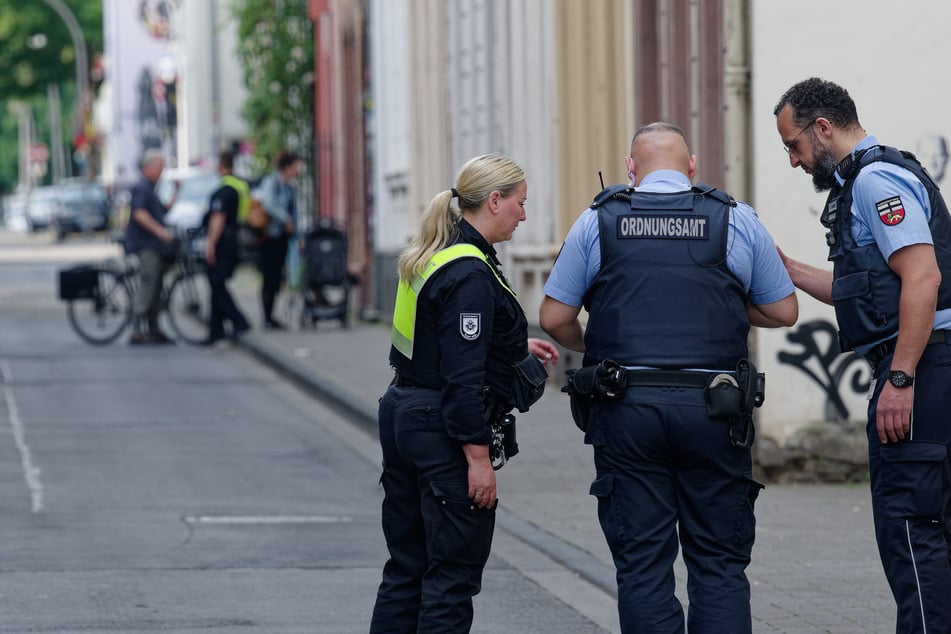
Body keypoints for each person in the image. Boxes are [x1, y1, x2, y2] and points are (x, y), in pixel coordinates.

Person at [539, 122, 798, 633]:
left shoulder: (597, 222)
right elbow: (783, 309)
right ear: (692, 166)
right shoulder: (735, 218)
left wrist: (603, 345)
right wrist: (721, 305)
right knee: (719, 564)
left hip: (625, 409)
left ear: (631, 170)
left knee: (642, 567)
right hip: (715, 412)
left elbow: (552, 318)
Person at [773, 77, 951, 634]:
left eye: (793, 147)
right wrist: (783, 265)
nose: (794, 162)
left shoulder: (876, 181)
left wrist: (900, 377)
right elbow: (866, 288)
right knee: (932, 524)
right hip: (933, 365)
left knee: (911, 526)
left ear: (822, 128)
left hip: (925, 369)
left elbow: (922, 278)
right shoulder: (870, 179)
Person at [369, 154, 560, 633]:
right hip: (442, 429)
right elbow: (460, 375)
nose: (524, 214)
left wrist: (512, 345)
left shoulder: (438, 252)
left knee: (406, 569)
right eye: (520, 203)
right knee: (451, 579)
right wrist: (477, 458)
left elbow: (439, 338)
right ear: (494, 201)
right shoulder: (470, 273)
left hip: (404, 414)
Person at [124, 149, 176, 345]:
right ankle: (137, 328)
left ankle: (154, 328)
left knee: (156, 287)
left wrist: (177, 192)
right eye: (159, 166)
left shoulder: (151, 188)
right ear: (148, 167)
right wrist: (159, 231)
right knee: (148, 285)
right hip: (146, 245)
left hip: (155, 246)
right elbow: (139, 213)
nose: (162, 170)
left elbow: (161, 210)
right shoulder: (141, 187)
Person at [202, 149, 251, 345]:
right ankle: (216, 331)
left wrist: (211, 244)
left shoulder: (223, 190)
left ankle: (239, 321)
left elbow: (218, 218)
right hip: (236, 239)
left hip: (223, 243)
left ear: (220, 166)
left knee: (217, 284)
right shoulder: (240, 186)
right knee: (216, 286)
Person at [253, 149, 301, 329]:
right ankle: (266, 317)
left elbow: (294, 212)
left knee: (277, 278)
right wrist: (286, 220)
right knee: (270, 276)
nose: (298, 170)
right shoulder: (272, 182)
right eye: (296, 166)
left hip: (282, 238)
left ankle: (271, 316)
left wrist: (297, 235)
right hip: (270, 237)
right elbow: (268, 204)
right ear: (288, 167)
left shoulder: (290, 186)